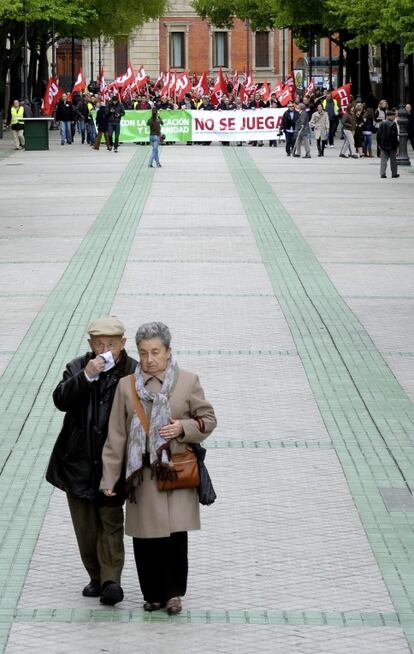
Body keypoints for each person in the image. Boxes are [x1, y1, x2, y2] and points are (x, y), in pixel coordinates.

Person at [100, 322, 217, 615]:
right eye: (143, 353)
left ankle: (174, 594)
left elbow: (208, 419)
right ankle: (152, 595)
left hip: (175, 471)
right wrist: (109, 478)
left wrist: (183, 427)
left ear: (168, 351)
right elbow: (116, 435)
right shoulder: (126, 386)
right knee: (145, 538)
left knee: (176, 536)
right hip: (142, 476)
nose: (149, 359)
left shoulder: (188, 381)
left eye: (155, 352)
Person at [46, 317, 137, 605]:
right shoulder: (77, 367)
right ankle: (96, 577)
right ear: (90, 345)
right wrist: (85, 377)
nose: (105, 350)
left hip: (115, 462)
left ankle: (112, 581)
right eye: (99, 344)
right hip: (78, 462)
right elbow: (61, 400)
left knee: (110, 519)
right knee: (85, 525)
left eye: (111, 344)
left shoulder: (134, 372)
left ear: (123, 344)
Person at [377, 109, 399, 179]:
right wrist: (397, 145)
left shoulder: (382, 124)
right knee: (393, 160)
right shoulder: (393, 124)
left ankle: (382, 173)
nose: (395, 117)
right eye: (394, 116)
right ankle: (394, 173)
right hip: (392, 145)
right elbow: (394, 136)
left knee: (383, 160)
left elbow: (378, 135)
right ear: (391, 116)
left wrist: (379, 144)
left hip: (383, 145)